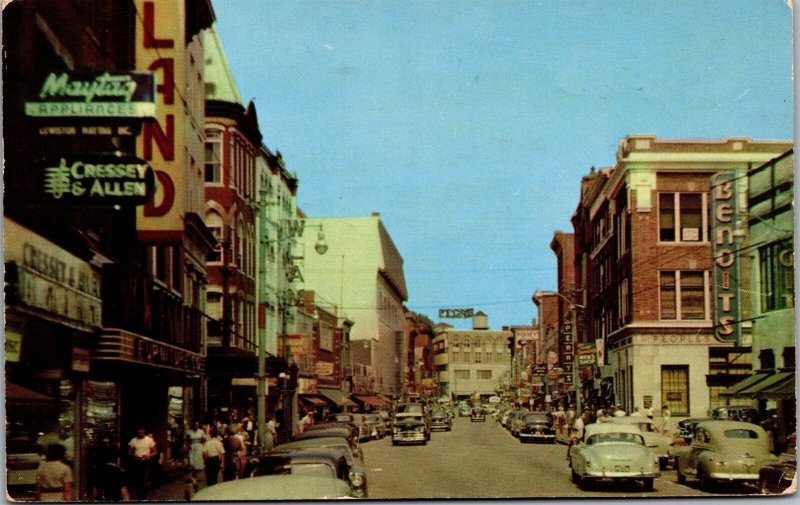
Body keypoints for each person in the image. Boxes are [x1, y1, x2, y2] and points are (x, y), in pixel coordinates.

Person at [128, 428, 156, 500]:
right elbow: (130, 452)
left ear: (144, 433)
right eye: (139, 433)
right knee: (137, 480)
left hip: (146, 462)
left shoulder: (149, 440)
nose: (140, 434)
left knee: (145, 480)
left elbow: (155, 452)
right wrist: (134, 456)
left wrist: (149, 455)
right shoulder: (134, 440)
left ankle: (144, 495)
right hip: (137, 462)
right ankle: (138, 496)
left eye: (142, 433)